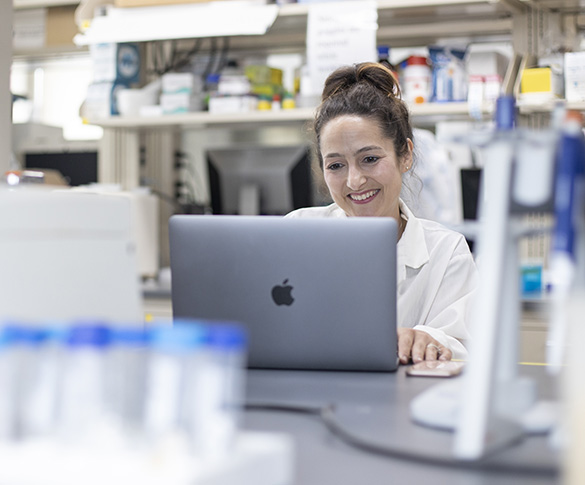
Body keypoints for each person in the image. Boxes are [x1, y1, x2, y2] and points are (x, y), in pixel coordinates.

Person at [285, 61, 478, 364]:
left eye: (370, 159)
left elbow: (466, 347)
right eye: (336, 165)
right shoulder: (295, 232)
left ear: (406, 155)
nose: (354, 181)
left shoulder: (446, 252)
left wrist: (429, 341)